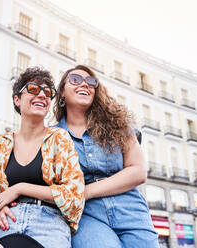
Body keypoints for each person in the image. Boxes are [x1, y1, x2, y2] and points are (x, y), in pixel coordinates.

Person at [0, 67, 85, 248]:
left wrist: (19, 188)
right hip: (6, 223)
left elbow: (74, 195)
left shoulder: (59, 138)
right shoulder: (0, 144)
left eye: (48, 92)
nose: (42, 95)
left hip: (49, 225)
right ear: (17, 99)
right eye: (33, 89)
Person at [54, 65, 159, 248]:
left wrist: (85, 192)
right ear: (62, 92)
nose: (85, 85)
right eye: (76, 80)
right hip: (86, 215)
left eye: (91, 82)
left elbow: (138, 171)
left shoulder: (118, 125)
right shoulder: (51, 136)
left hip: (130, 209)